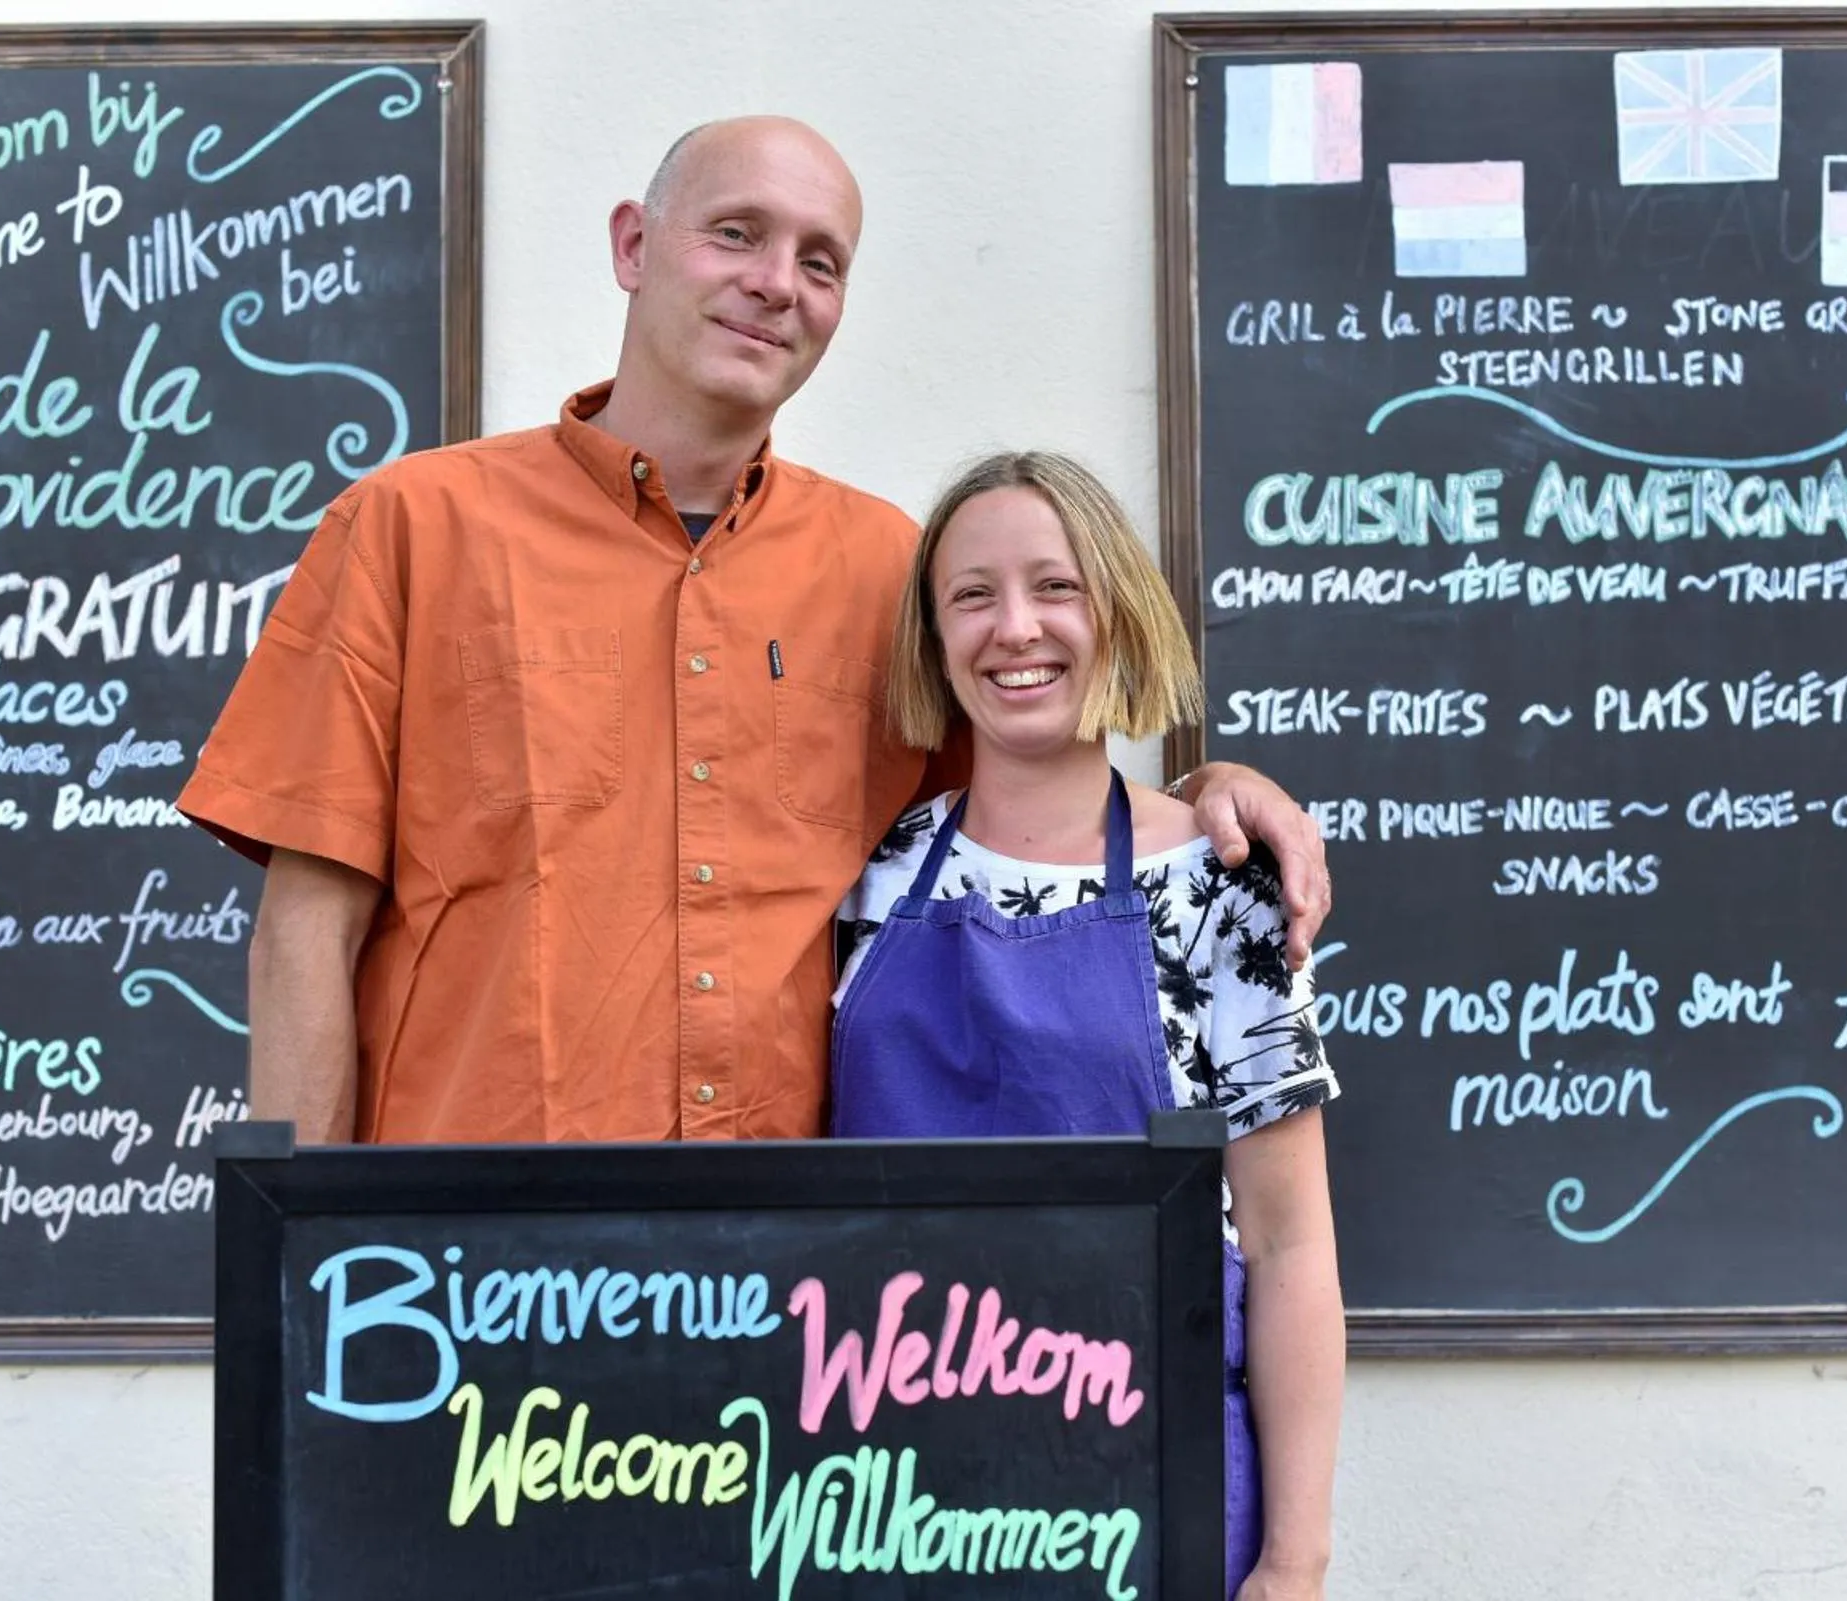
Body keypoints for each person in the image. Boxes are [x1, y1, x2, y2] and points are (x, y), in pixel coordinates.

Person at [178, 116, 1330, 1145]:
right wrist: (298, 1250)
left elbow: (1035, 819)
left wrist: (1207, 786)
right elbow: (304, 937)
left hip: (796, 1287)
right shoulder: (409, 529)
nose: (777, 282)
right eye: (735, 234)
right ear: (633, 245)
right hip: (474, 1264)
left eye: (818, 261)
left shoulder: (890, 568)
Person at [830, 451, 1344, 1600]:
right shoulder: (860, 875)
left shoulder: (1221, 890)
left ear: (1115, 609)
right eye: (971, 595)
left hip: (1151, 1492)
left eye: (1054, 586)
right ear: (932, 635)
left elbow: (1289, 1244)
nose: (1015, 627)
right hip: (890, 1500)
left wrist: (1293, 1558)